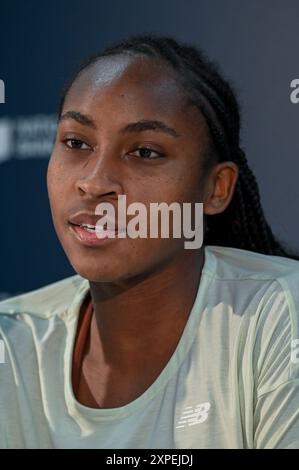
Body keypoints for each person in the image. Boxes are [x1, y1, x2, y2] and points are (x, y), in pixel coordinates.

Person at [1, 33, 299, 449]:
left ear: (216, 188)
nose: (94, 181)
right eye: (76, 142)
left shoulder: (282, 314)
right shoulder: (10, 341)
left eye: (144, 152)